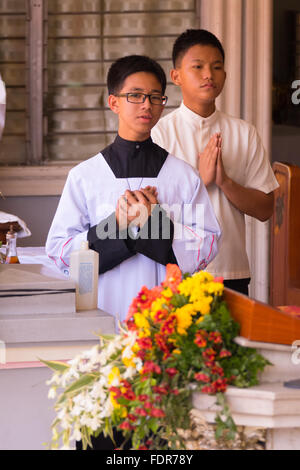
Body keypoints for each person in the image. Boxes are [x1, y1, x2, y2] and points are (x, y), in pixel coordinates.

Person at [46, 54, 221, 326]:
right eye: (135, 95)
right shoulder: (85, 177)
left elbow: (206, 246)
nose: (146, 105)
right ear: (113, 102)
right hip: (102, 309)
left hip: (166, 313)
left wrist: (153, 222)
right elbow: (61, 253)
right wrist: (116, 223)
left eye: (155, 97)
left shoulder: (183, 176)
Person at [151, 29, 279, 295]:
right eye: (198, 67)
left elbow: (265, 209)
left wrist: (224, 182)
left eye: (217, 67)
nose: (209, 75)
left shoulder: (244, 132)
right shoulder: (159, 134)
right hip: (176, 271)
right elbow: (151, 209)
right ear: (176, 76)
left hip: (231, 271)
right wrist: (200, 181)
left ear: (225, 75)